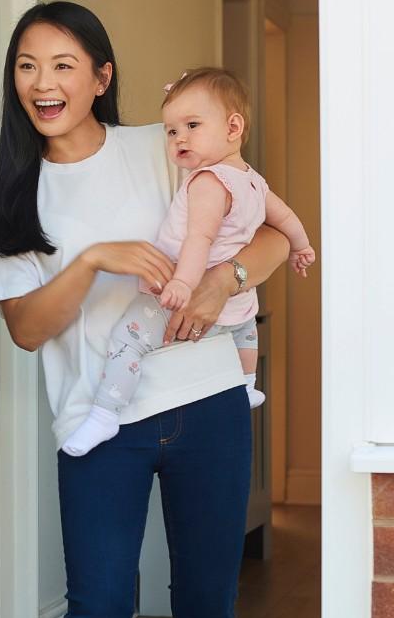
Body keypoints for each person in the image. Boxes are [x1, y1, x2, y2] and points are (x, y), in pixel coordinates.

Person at [0, 1, 289, 618]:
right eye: (27, 66)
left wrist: (222, 282)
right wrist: (92, 260)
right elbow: (27, 329)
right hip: (99, 422)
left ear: (101, 77)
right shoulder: (9, 194)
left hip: (208, 404)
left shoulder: (165, 147)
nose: (43, 83)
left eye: (63, 65)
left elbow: (273, 237)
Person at [61, 66, 314, 457]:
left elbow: (200, 239)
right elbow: (286, 218)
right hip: (236, 305)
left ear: (233, 127)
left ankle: (105, 413)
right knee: (246, 331)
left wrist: (182, 283)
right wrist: (302, 246)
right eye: (171, 130)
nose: (179, 138)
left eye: (192, 125)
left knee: (127, 340)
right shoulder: (254, 181)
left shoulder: (208, 181)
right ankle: (247, 384)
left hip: (183, 291)